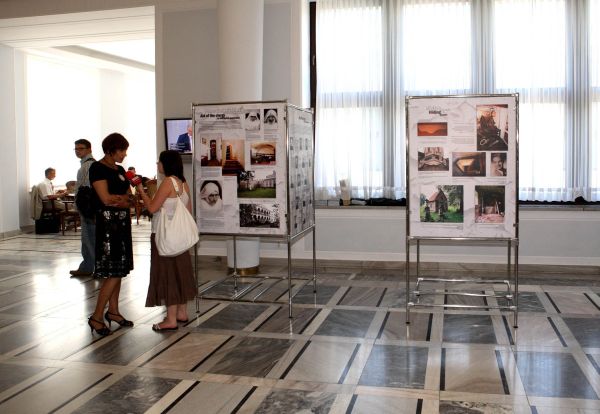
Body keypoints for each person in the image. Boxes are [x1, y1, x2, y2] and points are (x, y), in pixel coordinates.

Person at [135, 150, 196, 331]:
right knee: (180, 274)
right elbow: (188, 211)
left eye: (159, 161)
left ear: (166, 163)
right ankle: (181, 313)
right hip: (180, 237)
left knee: (168, 275)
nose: (157, 164)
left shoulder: (168, 182)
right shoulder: (183, 183)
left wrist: (141, 191)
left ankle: (170, 320)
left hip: (164, 236)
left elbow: (152, 208)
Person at [87, 133, 134, 336]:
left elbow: (130, 198)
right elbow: (105, 199)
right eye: (122, 150)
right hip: (108, 225)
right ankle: (96, 316)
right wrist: (122, 200)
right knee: (113, 272)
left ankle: (113, 311)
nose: (124, 154)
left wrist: (122, 200)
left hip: (122, 223)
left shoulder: (120, 170)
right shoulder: (97, 168)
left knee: (119, 269)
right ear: (110, 150)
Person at [70, 139, 96, 277]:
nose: (77, 151)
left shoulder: (87, 166)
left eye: (81, 148)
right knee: (90, 238)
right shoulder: (91, 164)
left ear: (89, 149)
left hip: (88, 209)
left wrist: (80, 207)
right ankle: (88, 266)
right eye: (76, 149)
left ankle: (88, 267)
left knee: (88, 239)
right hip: (90, 208)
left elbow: (85, 189)